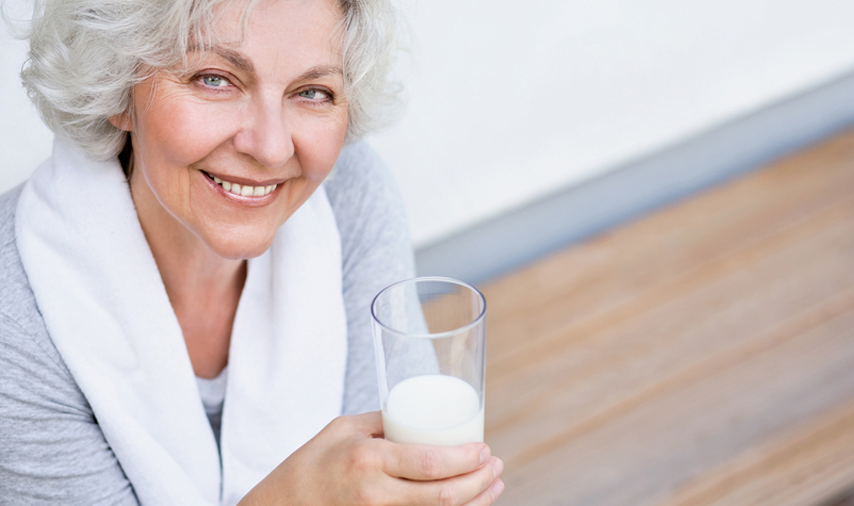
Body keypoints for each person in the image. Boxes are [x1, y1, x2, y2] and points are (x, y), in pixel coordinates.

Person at [0, 0, 505, 504]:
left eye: (312, 92)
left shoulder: (350, 199)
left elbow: (406, 464)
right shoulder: (16, 307)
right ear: (116, 85)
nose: (270, 148)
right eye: (214, 79)